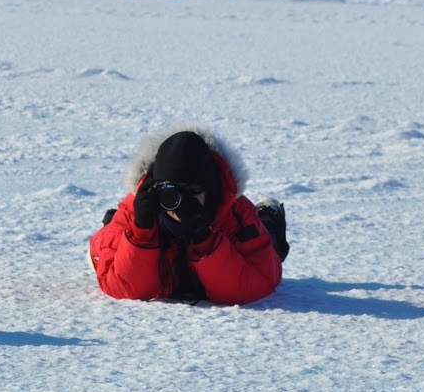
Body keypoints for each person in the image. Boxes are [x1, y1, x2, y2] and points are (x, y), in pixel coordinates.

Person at [89, 128, 287, 304]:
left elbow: (259, 283)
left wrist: (205, 239)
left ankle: (268, 215)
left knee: (271, 247)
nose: (179, 202)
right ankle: (112, 221)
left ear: (209, 191)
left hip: (227, 233)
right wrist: (141, 233)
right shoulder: (136, 209)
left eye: (191, 191)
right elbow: (123, 287)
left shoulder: (234, 212)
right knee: (111, 238)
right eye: (171, 191)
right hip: (136, 226)